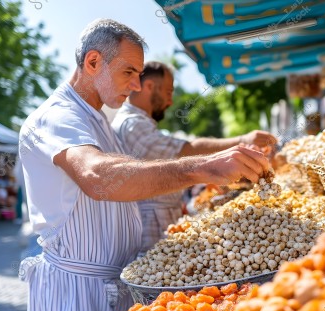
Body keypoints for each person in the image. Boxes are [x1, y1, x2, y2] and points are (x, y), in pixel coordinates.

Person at [18, 19, 270, 311]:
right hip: (76, 295)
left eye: (139, 76)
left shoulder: (96, 120)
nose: (137, 86)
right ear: (93, 62)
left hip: (110, 286)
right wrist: (202, 169)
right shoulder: (57, 117)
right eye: (128, 73)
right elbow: (98, 175)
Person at [111, 61, 277, 254]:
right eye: (168, 92)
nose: (170, 101)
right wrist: (241, 140)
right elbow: (185, 150)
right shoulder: (132, 125)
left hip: (158, 222)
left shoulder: (138, 123)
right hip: (149, 229)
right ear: (149, 86)